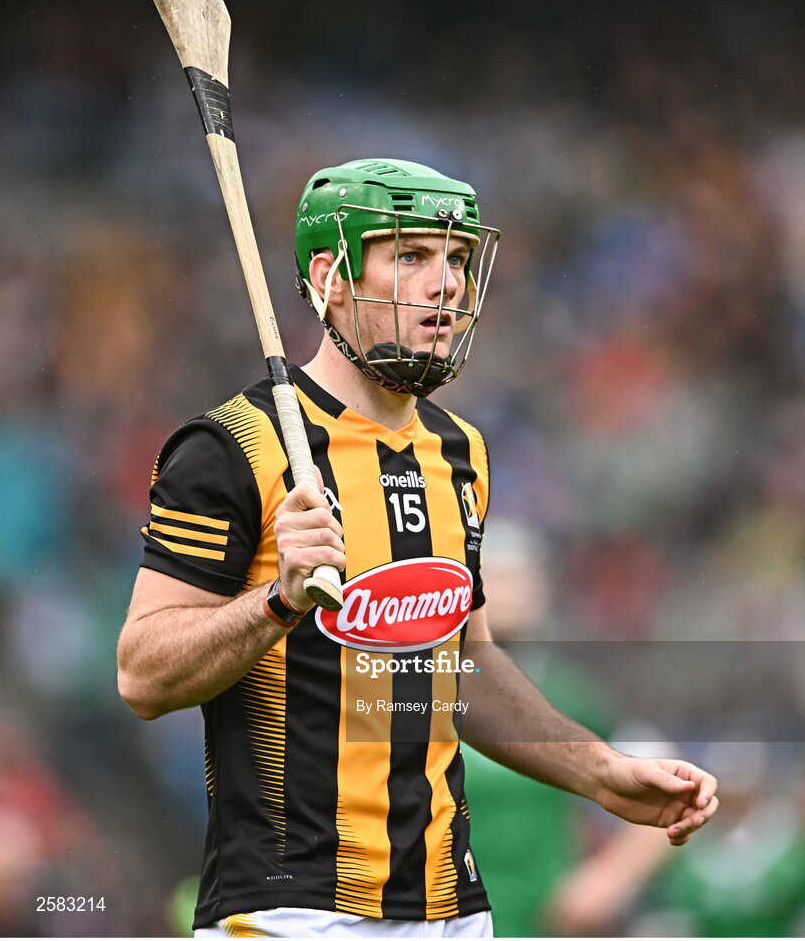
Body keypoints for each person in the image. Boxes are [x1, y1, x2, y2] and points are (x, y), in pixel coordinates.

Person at [117, 158, 719, 939]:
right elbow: (141, 674)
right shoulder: (232, 444)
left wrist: (599, 773)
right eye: (410, 256)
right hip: (288, 909)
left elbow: (462, 669)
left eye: (458, 259)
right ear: (330, 277)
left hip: (450, 911)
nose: (447, 285)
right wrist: (277, 601)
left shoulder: (458, 450)